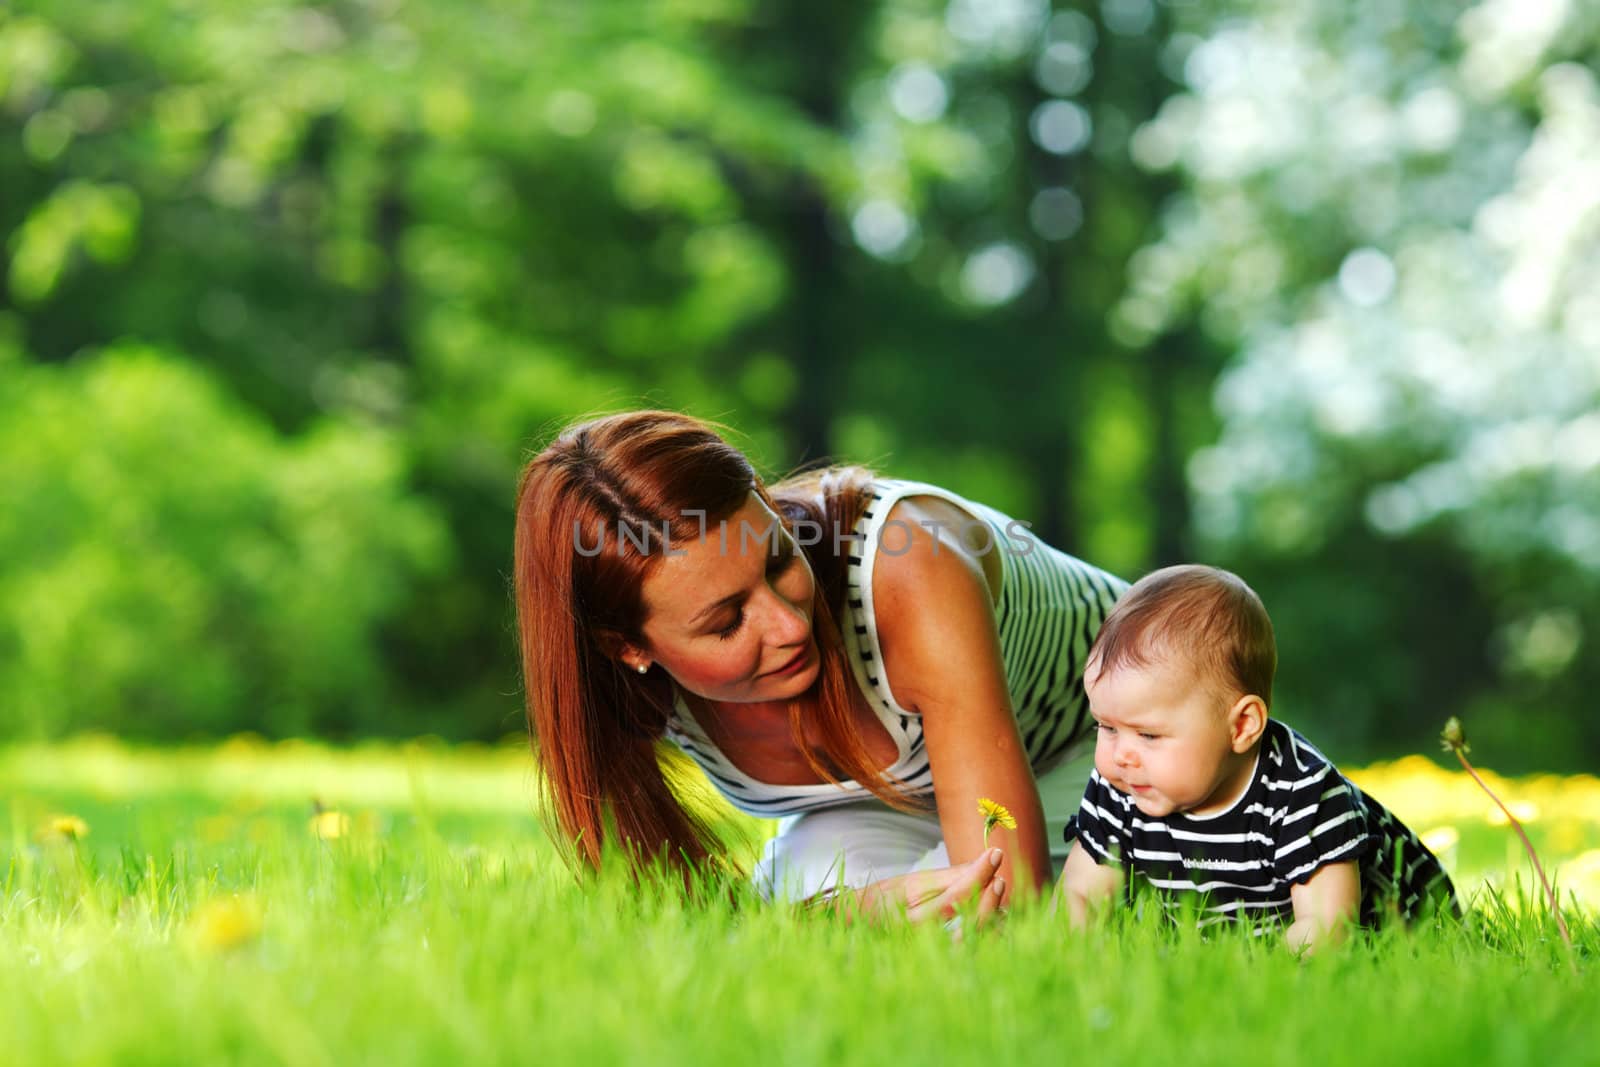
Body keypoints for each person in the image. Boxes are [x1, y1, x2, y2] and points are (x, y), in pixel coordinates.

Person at [513, 410, 1126, 914]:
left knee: (982, 917)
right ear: (627, 648)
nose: (787, 624)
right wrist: (849, 912)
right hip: (910, 802)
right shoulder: (625, 694)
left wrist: (845, 916)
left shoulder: (909, 571)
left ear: (771, 508)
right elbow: (681, 924)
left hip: (1122, 749)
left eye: (780, 560)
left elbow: (1008, 890)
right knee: (802, 898)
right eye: (727, 622)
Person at [1057, 564, 1458, 951]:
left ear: (1242, 726)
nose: (1121, 754)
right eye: (1106, 727)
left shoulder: (1303, 792)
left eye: (1148, 734)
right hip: (1248, 938)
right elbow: (1080, 895)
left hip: (1405, 937)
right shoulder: (1123, 783)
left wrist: (1239, 972)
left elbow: (1330, 929)